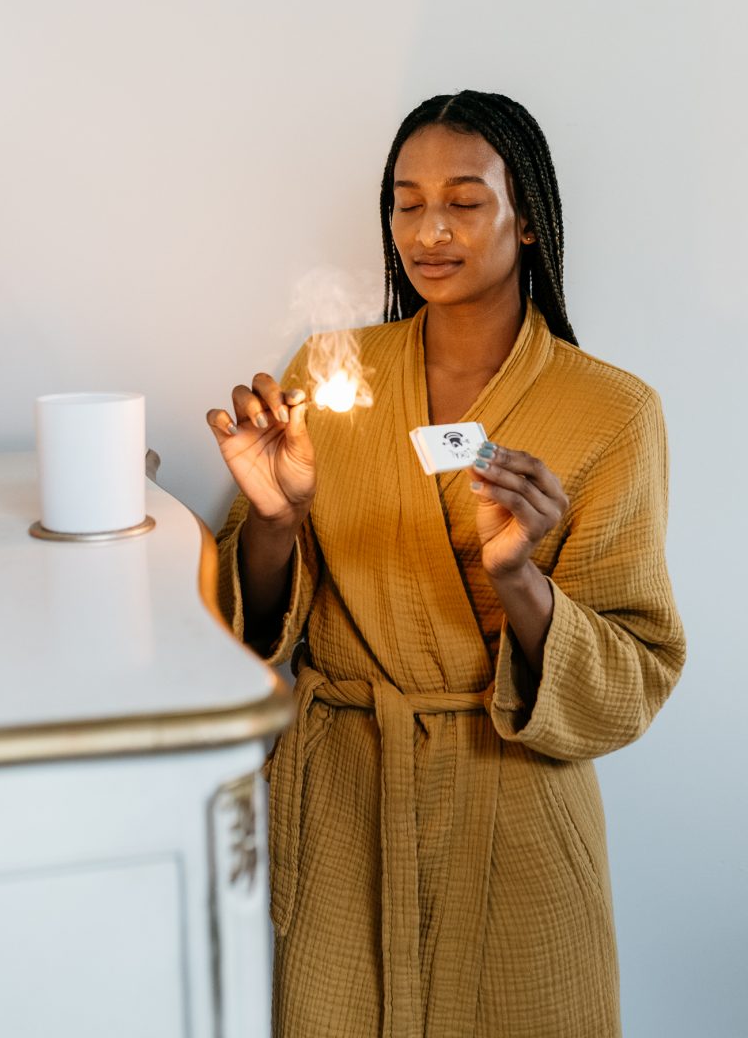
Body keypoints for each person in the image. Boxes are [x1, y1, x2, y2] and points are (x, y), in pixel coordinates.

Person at [206, 90, 685, 1038]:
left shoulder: (612, 413)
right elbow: (247, 624)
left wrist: (523, 581)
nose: (428, 229)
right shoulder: (331, 374)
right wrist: (274, 520)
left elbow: (635, 672)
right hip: (347, 806)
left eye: (465, 202)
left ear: (530, 223)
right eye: (405, 200)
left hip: (514, 810)